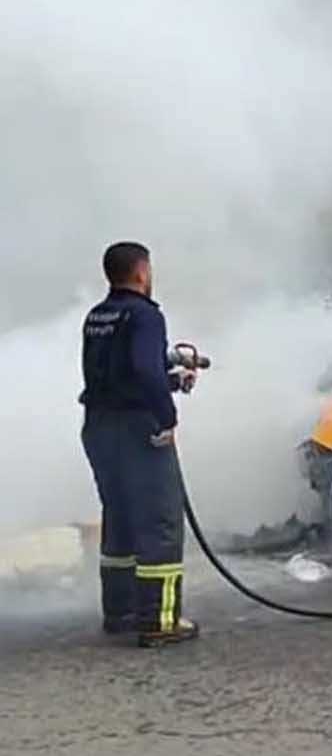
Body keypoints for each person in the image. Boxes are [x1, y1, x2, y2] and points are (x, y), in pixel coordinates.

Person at [79, 242, 199, 647]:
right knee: (160, 522)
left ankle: (121, 611)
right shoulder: (145, 315)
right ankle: (160, 621)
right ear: (142, 272)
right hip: (137, 428)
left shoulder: (98, 316)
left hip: (99, 427)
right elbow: (145, 370)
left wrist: (172, 380)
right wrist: (167, 417)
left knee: (122, 515)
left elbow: (117, 375)